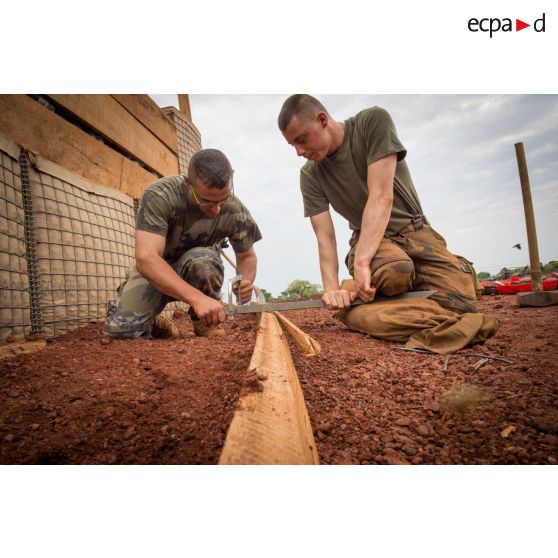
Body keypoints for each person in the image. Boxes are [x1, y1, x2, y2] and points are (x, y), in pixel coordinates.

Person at [278, 94, 479, 314]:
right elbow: (325, 237)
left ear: (323, 120)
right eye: (292, 145)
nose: (299, 151)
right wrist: (332, 290)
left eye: (302, 139)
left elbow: (381, 196)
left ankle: (372, 291)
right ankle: (374, 287)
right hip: (369, 240)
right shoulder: (310, 175)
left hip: (415, 231)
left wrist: (362, 263)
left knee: (463, 305)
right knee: (396, 272)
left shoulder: (372, 122)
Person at [103, 148, 262, 339]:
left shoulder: (236, 211)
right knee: (121, 333)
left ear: (232, 178)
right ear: (188, 183)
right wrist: (197, 298)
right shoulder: (161, 195)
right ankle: (154, 322)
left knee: (202, 259)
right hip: (156, 273)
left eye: (223, 199)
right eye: (206, 201)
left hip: (199, 268)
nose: (216, 209)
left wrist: (243, 281)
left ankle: (205, 321)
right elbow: (146, 258)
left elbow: (247, 256)